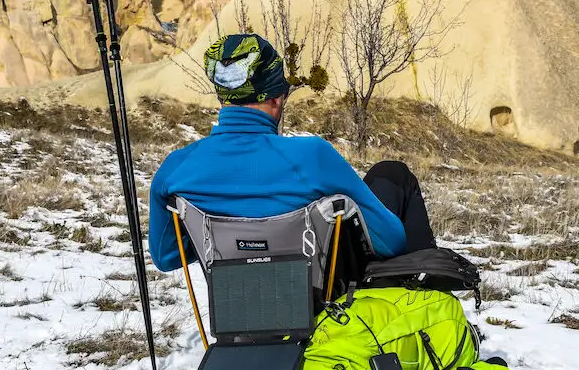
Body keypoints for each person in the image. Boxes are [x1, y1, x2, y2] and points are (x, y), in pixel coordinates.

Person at [147, 33, 436, 272]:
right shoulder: (312, 158)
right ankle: (429, 305)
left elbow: (167, 257)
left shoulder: (176, 169)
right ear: (276, 97)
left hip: (236, 309)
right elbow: (393, 242)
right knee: (392, 174)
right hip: (322, 308)